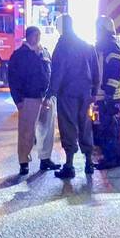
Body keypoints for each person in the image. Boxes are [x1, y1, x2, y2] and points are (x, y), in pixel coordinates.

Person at [49, 14, 100, 179]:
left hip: (68, 94)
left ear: (62, 27)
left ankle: (69, 165)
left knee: (68, 126)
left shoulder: (62, 46)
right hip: (85, 93)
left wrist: (50, 93)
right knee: (86, 125)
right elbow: (96, 71)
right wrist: (94, 92)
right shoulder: (86, 46)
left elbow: (58, 72)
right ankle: (89, 163)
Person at [7, 26, 56, 176]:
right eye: (35, 35)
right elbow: (13, 79)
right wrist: (18, 100)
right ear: (27, 37)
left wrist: (51, 94)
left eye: (38, 35)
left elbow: (51, 73)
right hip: (29, 98)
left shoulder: (45, 52)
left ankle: (45, 159)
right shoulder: (19, 55)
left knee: (47, 131)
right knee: (26, 132)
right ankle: (24, 162)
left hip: (46, 97)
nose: (37, 38)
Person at [94, 15, 120, 168]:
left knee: (108, 128)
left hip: (110, 95)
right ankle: (112, 157)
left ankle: (111, 159)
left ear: (102, 29)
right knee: (108, 127)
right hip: (107, 94)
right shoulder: (105, 45)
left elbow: (115, 70)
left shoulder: (110, 46)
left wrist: (109, 92)